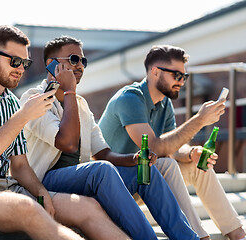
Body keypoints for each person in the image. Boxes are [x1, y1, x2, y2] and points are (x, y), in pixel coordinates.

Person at [0, 25, 132, 240]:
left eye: (25, 63)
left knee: (87, 207)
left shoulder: (11, 103)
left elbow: (21, 166)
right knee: (26, 207)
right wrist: (23, 117)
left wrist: (42, 193)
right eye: (15, 61)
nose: (21, 69)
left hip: (4, 185)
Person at [20, 36, 199, 240]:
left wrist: (134, 159)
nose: (80, 66)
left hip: (81, 179)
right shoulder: (34, 98)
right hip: (44, 181)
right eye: (73, 59)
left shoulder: (81, 105)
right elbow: (67, 143)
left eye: (83, 61)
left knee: (145, 170)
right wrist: (68, 90)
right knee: (102, 170)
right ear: (51, 64)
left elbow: (103, 153)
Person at [98, 44, 246, 240]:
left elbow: (173, 147)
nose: (182, 82)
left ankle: (238, 234)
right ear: (155, 72)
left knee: (197, 166)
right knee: (165, 164)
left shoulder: (164, 103)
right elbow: (155, 147)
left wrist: (191, 153)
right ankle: (198, 236)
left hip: (145, 180)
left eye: (184, 77)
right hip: (115, 185)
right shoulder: (130, 98)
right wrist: (199, 119)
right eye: (177, 76)